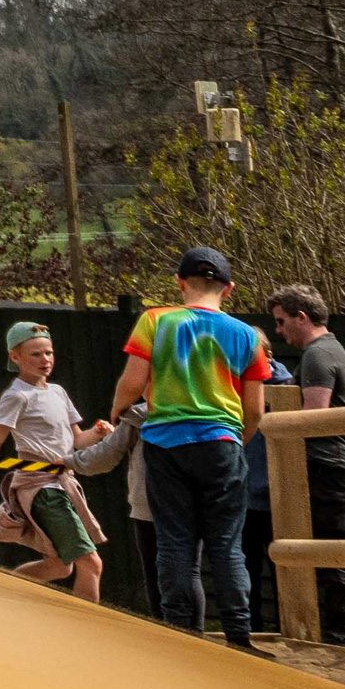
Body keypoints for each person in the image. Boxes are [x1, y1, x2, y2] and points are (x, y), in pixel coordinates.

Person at [109, 245, 274, 651]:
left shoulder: (154, 321)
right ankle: (239, 635)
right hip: (222, 444)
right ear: (229, 289)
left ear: (180, 284)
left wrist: (115, 411)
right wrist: (238, 439)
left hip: (166, 444)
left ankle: (182, 633)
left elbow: (133, 383)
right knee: (226, 544)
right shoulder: (247, 336)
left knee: (175, 542)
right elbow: (254, 407)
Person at [0, 319, 113, 603]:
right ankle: (90, 632)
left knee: (59, 566)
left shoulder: (57, 392)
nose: (45, 360)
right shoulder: (16, 396)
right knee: (91, 564)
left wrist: (97, 433)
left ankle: (4, 599)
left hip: (64, 484)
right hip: (42, 490)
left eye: (49, 353)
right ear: (15, 357)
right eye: (35, 354)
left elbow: (76, 442)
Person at [267, 283, 345, 648]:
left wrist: (274, 419)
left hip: (330, 465)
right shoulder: (331, 350)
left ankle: (344, 635)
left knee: (336, 551)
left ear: (302, 317)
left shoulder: (318, 355)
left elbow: (313, 418)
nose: (278, 330)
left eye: (282, 321)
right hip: (344, 465)